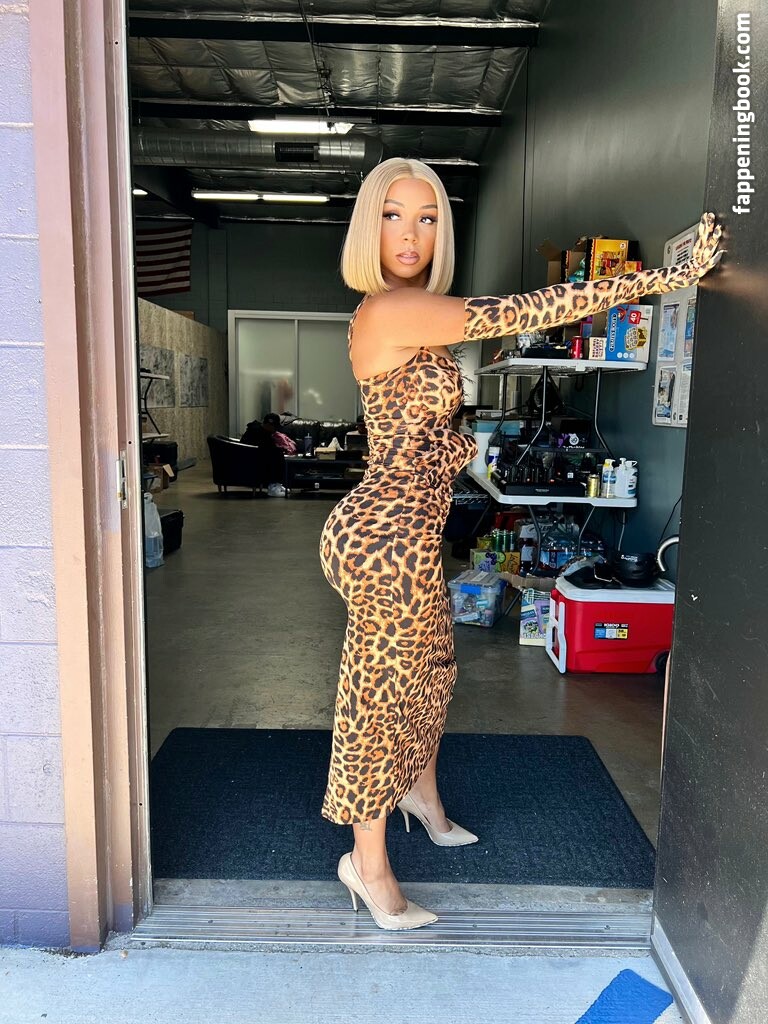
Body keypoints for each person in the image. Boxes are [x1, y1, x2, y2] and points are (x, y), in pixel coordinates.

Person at [318, 157, 724, 931]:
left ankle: (423, 798)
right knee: (381, 700)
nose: (410, 234)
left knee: (432, 675)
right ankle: (367, 866)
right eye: (394, 215)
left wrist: (453, 448)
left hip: (408, 530)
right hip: (382, 538)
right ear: (369, 226)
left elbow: (421, 426)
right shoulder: (389, 311)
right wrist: (667, 277)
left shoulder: (414, 310)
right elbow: (526, 308)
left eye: (427, 217)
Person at [239, 418, 287, 496]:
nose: (276, 430)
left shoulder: (260, 430)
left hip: (252, 457)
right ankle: (273, 487)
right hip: (250, 461)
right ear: (268, 425)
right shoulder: (259, 433)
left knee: (277, 453)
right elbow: (266, 447)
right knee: (277, 456)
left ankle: (276, 484)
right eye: (275, 427)